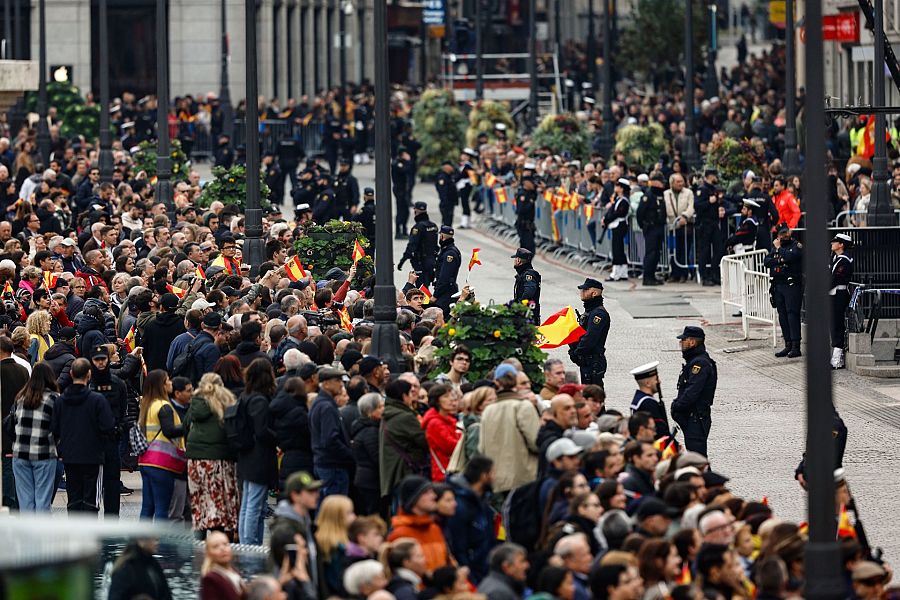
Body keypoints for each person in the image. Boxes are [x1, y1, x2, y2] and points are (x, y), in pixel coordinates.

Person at [51, 357, 114, 513]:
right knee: (91, 498)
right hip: (92, 455)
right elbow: (108, 426)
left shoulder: (61, 401)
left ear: (71, 374)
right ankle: (89, 531)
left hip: (70, 454)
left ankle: (75, 531)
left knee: (74, 496)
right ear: (89, 375)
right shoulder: (97, 400)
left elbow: (54, 428)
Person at [183, 373, 240, 538]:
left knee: (199, 504)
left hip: (195, 461)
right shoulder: (227, 402)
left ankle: (198, 548)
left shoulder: (195, 403)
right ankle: (218, 541)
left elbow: (186, 426)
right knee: (218, 506)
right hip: (219, 460)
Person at [478, 364, 541, 493]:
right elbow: (536, 443)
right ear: (515, 381)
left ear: (496, 382)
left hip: (497, 481)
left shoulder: (488, 411)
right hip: (524, 479)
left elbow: (481, 448)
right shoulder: (524, 407)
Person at [237, 357, 278, 545]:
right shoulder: (260, 400)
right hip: (259, 457)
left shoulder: (246, 396)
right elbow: (262, 431)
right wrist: (277, 438)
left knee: (249, 503)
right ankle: (250, 545)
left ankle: (250, 543)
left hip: (247, 456)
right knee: (254, 505)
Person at [9, 362, 59, 512]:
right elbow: (57, 426)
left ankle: (27, 534)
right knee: (43, 499)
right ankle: (42, 534)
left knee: (25, 501)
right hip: (44, 452)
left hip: (20, 453)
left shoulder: (21, 397)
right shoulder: (53, 398)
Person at [137, 369, 185, 520]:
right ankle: (162, 543)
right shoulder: (164, 406)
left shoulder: (148, 404)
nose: (171, 383)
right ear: (162, 385)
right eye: (168, 380)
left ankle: (142, 542)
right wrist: (189, 425)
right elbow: (169, 431)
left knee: (147, 507)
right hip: (162, 463)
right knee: (162, 508)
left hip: (146, 460)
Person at [88, 344, 128, 517]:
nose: (101, 363)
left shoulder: (118, 384)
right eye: (97, 360)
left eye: (103, 359)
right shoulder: (89, 384)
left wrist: (119, 428)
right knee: (92, 484)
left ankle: (113, 519)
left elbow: (123, 409)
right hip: (94, 441)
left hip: (112, 439)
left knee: (112, 482)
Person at [446, 455, 497, 583]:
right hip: (474, 572)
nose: (495, 477)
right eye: (492, 472)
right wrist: (470, 576)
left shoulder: (482, 500)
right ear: (484, 476)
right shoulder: (460, 506)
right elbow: (458, 545)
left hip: (484, 567)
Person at [380, 377, 430, 500]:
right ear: (404, 396)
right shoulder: (405, 417)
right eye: (410, 393)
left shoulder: (389, 413)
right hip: (406, 471)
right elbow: (425, 441)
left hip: (393, 472)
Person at [670, 326, 717, 457]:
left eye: (683, 340)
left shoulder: (700, 364)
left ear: (692, 342)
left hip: (696, 418)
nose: (681, 343)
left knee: (698, 460)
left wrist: (676, 406)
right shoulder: (695, 361)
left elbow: (692, 392)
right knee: (696, 458)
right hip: (692, 417)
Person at [387, 475, 450, 572]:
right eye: (426, 492)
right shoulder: (400, 535)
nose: (434, 496)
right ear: (413, 499)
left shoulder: (434, 528)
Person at [310, 366, 355, 497]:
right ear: (326, 384)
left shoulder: (320, 403)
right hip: (332, 465)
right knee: (333, 509)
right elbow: (330, 439)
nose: (341, 383)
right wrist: (349, 454)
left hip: (325, 463)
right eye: (337, 380)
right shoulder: (326, 406)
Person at [764, 223, 804, 358]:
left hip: (792, 285)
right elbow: (767, 261)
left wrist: (779, 252)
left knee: (792, 314)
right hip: (778, 285)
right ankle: (787, 344)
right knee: (782, 315)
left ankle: (795, 346)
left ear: (789, 232)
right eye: (781, 234)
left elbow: (791, 257)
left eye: (785, 233)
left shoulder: (796, 245)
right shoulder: (776, 247)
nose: (783, 236)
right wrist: (781, 259)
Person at [1, 335, 30, 509]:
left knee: (6, 466)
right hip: (19, 424)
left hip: (3, 426)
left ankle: (9, 500)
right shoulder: (23, 370)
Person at [270, 376, 314, 490]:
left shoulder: (279, 410)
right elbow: (309, 435)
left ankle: (273, 506)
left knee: (281, 490)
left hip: (285, 457)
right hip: (302, 459)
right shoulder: (300, 413)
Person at [569, 278, 610, 386]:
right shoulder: (590, 311)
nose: (582, 292)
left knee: (593, 395)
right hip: (587, 359)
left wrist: (577, 352)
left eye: (585, 290)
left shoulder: (598, 314)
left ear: (594, 293)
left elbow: (590, 338)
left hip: (593, 361)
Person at [316, 494, 357, 595]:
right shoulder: (337, 547)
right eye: (349, 513)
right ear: (337, 517)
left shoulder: (319, 539)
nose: (354, 517)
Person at [350, 393, 384, 516]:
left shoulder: (366, 428)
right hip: (371, 482)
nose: (384, 410)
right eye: (380, 407)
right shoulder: (370, 431)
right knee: (374, 514)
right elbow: (377, 457)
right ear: (371, 411)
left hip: (366, 479)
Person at [107, 539, 173, 600]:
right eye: (153, 539)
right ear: (141, 541)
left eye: (157, 539)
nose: (157, 543)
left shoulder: (153, 564)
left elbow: (166, 595)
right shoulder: (125, 568)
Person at [422, 383, 461, 482]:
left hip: (452, 470)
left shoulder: (448, 419)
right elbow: (451, 446)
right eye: (446, 396)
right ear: (437, 401)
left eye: (451, 395)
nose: (451, 399)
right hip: (444, 474)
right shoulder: (434, 423)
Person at [635, 173, 667, 287]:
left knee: (657, 253)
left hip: (659, 226)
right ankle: (647, 277)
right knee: (651, 253)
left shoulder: (661, 194)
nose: (663, 183)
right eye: (660, 181)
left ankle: (652, 275)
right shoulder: (648, 195)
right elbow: (640, 213)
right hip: (651, 227)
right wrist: (644, 226)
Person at [694, 169, 724, 287]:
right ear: (709, 176)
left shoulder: (713, 189)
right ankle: (705, 276)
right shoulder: (702, 189)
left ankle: (714, 274)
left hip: (713, 223)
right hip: (705, 224)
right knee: (704, 251)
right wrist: (709, 201)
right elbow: (697, 205)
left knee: (719, 248)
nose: (716, 178)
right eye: (715, 176)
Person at [398, 201, 439, 288]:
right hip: (431, 261)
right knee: (426, 286)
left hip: (420, 262)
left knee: (421, 288)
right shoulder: (433, 226)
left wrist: (402, 261)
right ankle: (426, 301)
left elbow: (412, 246)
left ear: (415, 211)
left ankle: (424, 302)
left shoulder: (418, 227)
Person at [830, 233, 854, 369]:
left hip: (839, 294)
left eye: (835, 242)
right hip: (834, 294)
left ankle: (837, 360)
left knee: (837, 325)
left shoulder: (844, 260)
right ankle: (836, 357)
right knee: (833, 325)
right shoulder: (836, 258)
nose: (832, 244)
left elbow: (835, 279)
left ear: (841, 245)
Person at [627, 362, 670, 439]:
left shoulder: (639, 399)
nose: (659, 381)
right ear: (648, 383)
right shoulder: (648, 403)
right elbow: (661, 431)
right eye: (656, 379)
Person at [200, 530, 245, 600]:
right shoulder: (210, 579)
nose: (222, 549)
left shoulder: (234, 572)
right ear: (209, 553)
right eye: (216, 546)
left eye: (225, 544)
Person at [603, 178, 631, 282]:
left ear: (622, 188)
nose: (616, 187)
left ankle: (615, 274)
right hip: (616, 225)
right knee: (618, 248)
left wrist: (607, 219)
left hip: (620, 225)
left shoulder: (624, 201)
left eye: (618, 186)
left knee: (617, 249)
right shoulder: (618, 199)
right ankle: (623, 272)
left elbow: (619, 213)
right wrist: (606, 219)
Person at [433, 226, 462, 317]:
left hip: (446, 292)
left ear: (442, 236)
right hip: (447, 290)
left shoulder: (449, 253)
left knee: (443, 316)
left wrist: (435, 295)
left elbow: (444, 277)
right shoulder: (448, 250)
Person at [511, 248, 541, 324]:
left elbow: (529, 292)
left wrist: (520, 305)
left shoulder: (528, 275)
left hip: (528, 315)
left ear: (519, 261)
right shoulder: (524, 273)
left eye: (515, 259)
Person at [515, 176, 537, 253]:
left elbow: (535, 195)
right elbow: (521, 210)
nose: (533, 184)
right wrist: (530, 203)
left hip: (529, 225)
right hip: (524, 224)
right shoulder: (522, 194)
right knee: (529, 249)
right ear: (526, 183)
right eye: (531, 183)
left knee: (526, 249)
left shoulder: (530, 192)